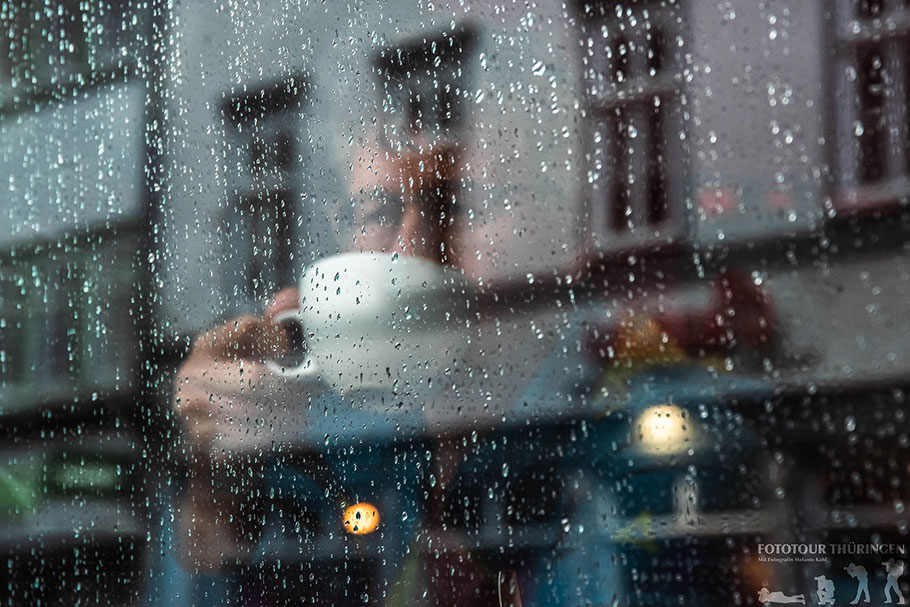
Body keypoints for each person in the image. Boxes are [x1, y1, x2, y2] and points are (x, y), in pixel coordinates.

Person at [171, 140, 462, 570]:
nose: (413, 246)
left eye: (448, 207)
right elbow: (204, 559)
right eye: (378, 214)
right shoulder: (316, 421)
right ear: (341, 229)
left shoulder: (553, 399)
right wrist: (216, 478)